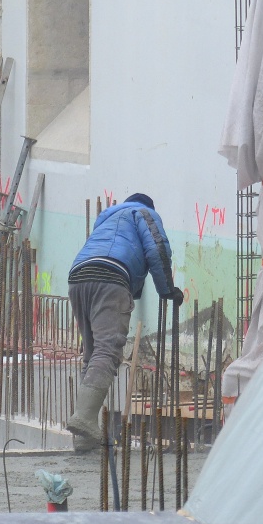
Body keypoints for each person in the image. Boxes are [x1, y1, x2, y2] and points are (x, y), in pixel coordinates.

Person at [66, 193, 183, 453]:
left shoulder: (106, 218)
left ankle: (85, 438)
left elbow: (120, 249)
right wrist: (167, 289)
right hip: (111, 276)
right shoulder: (144, 213)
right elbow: (157, 248)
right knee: (108, 350)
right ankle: (84, 418)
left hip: (78, 277)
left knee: (93, 353)